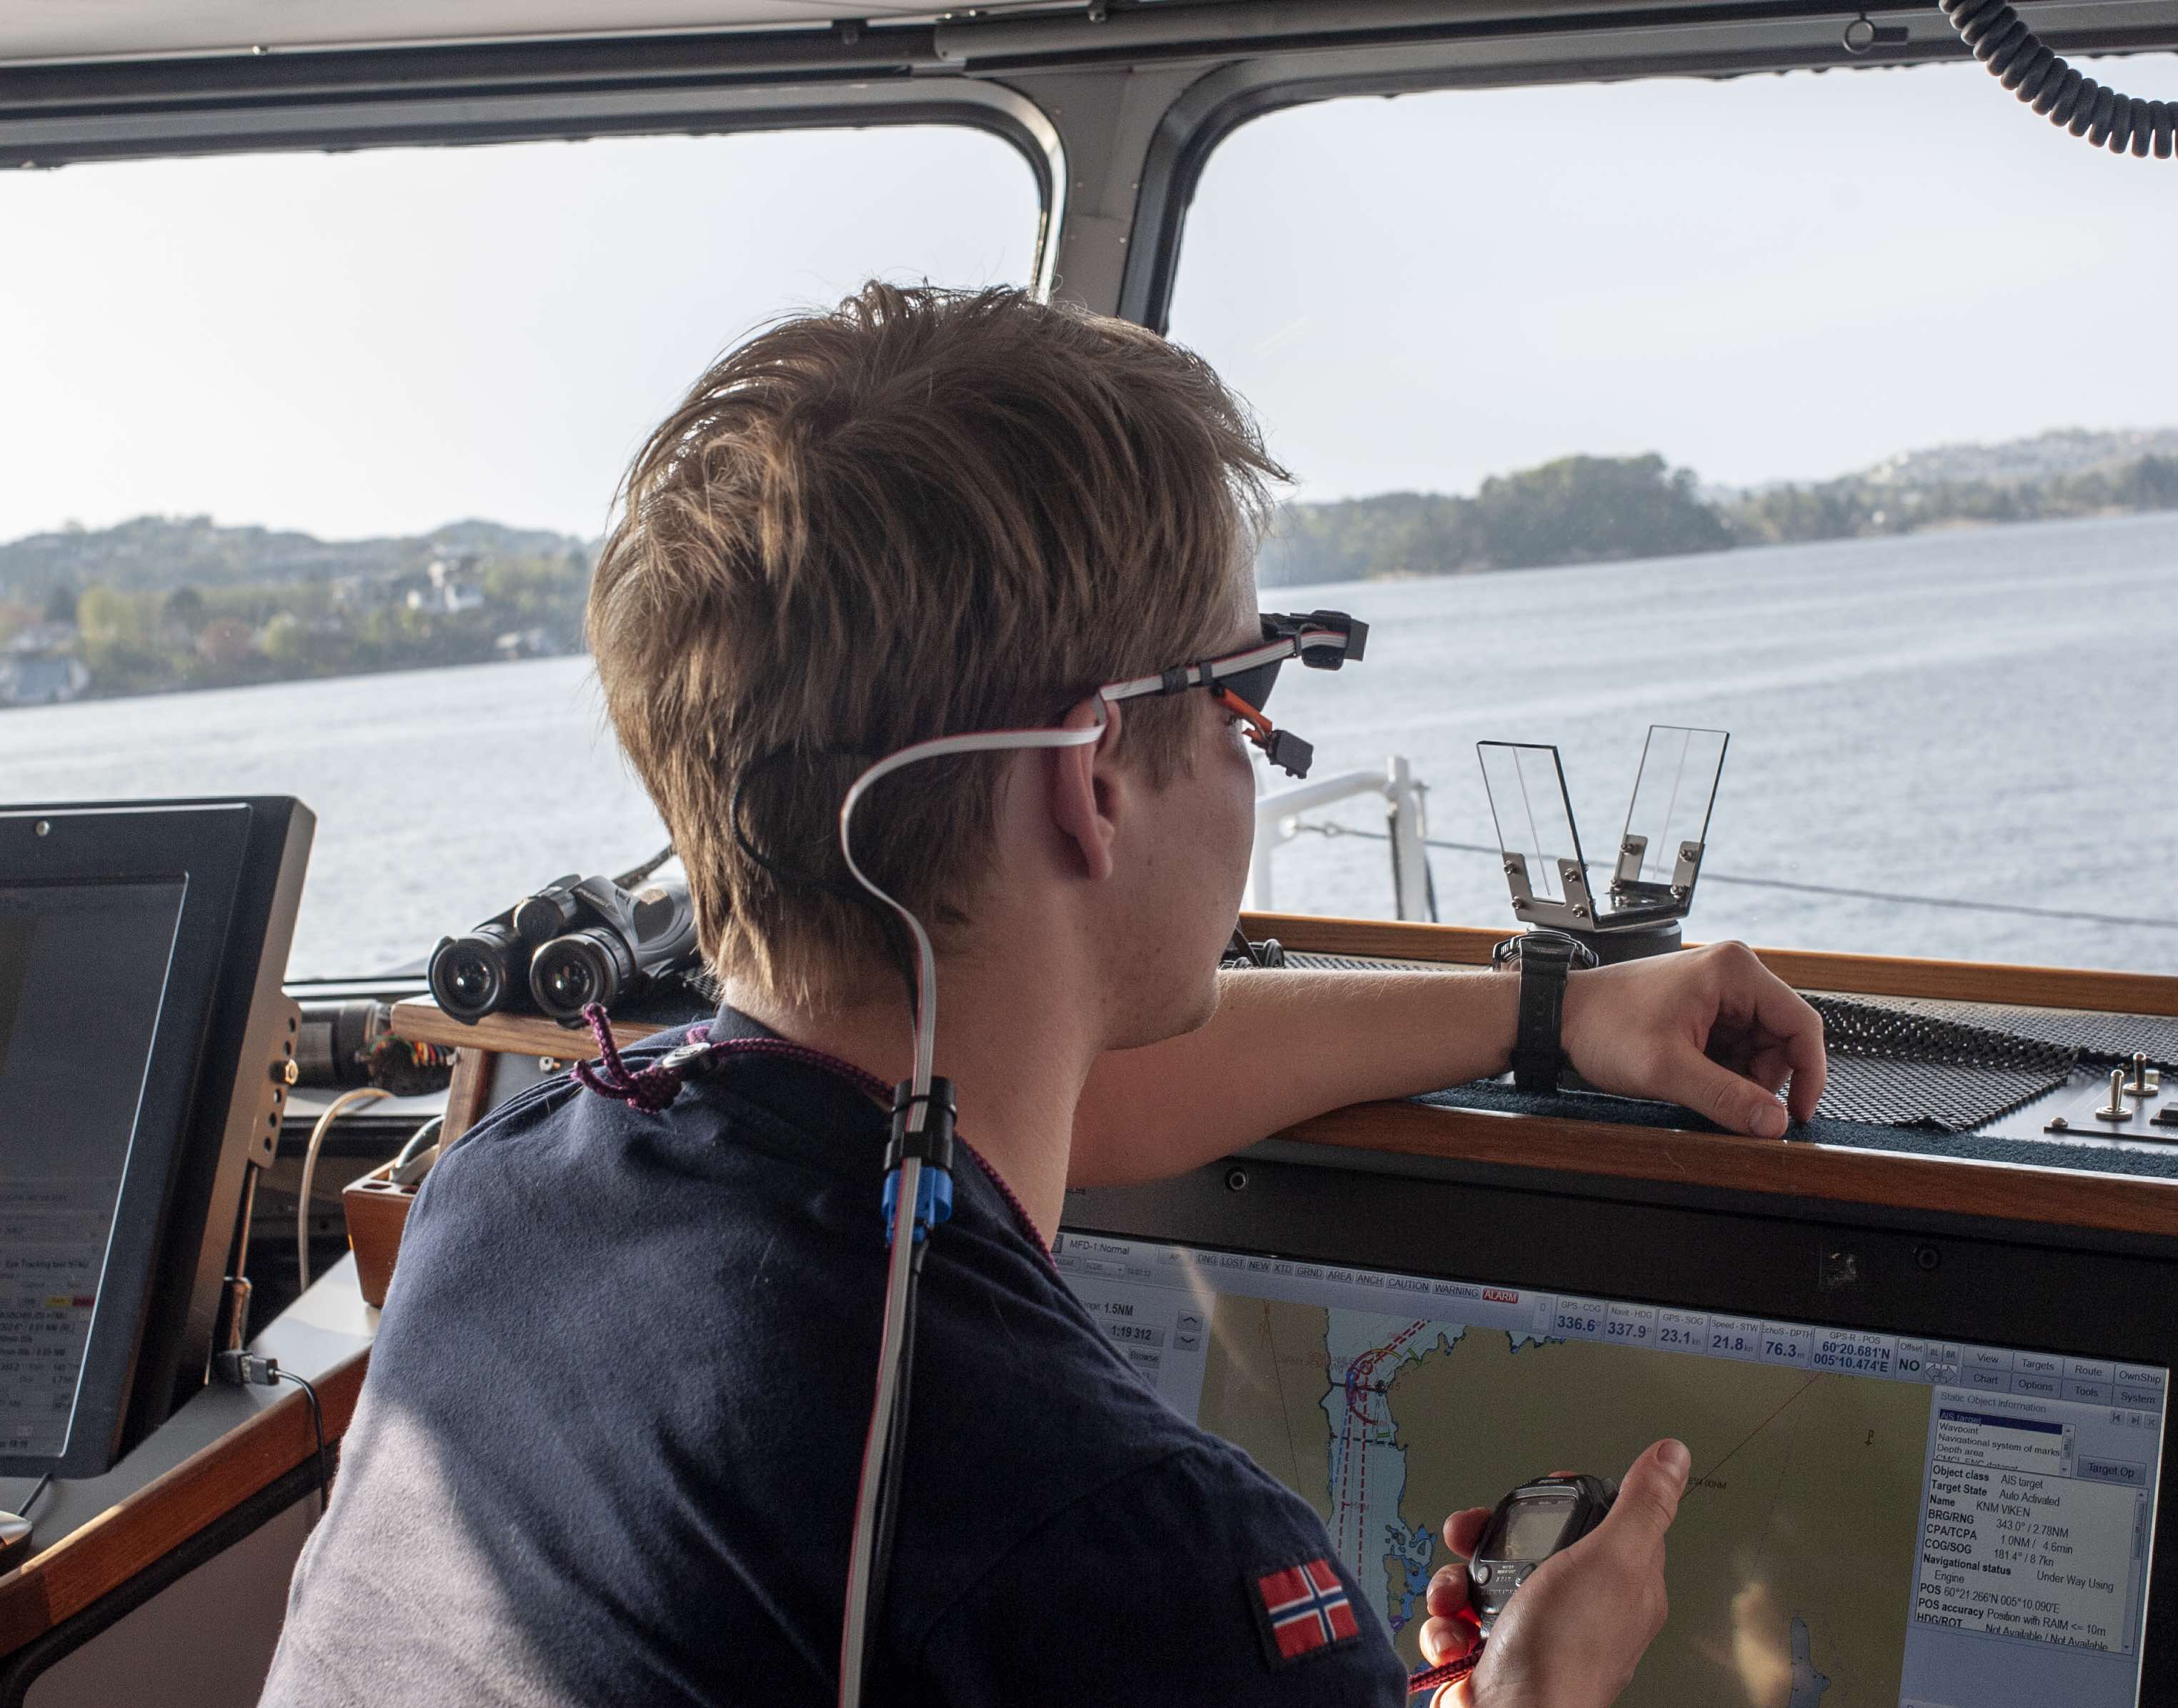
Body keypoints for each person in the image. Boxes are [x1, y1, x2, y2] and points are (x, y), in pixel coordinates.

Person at [259, 283, 1827, 1708]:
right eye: (1245, 695)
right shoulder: (1130, 1552)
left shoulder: (502, 1195)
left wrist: (1546, 1010)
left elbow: (1092, 1089)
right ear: (1092, 779)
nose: (1246, 757)